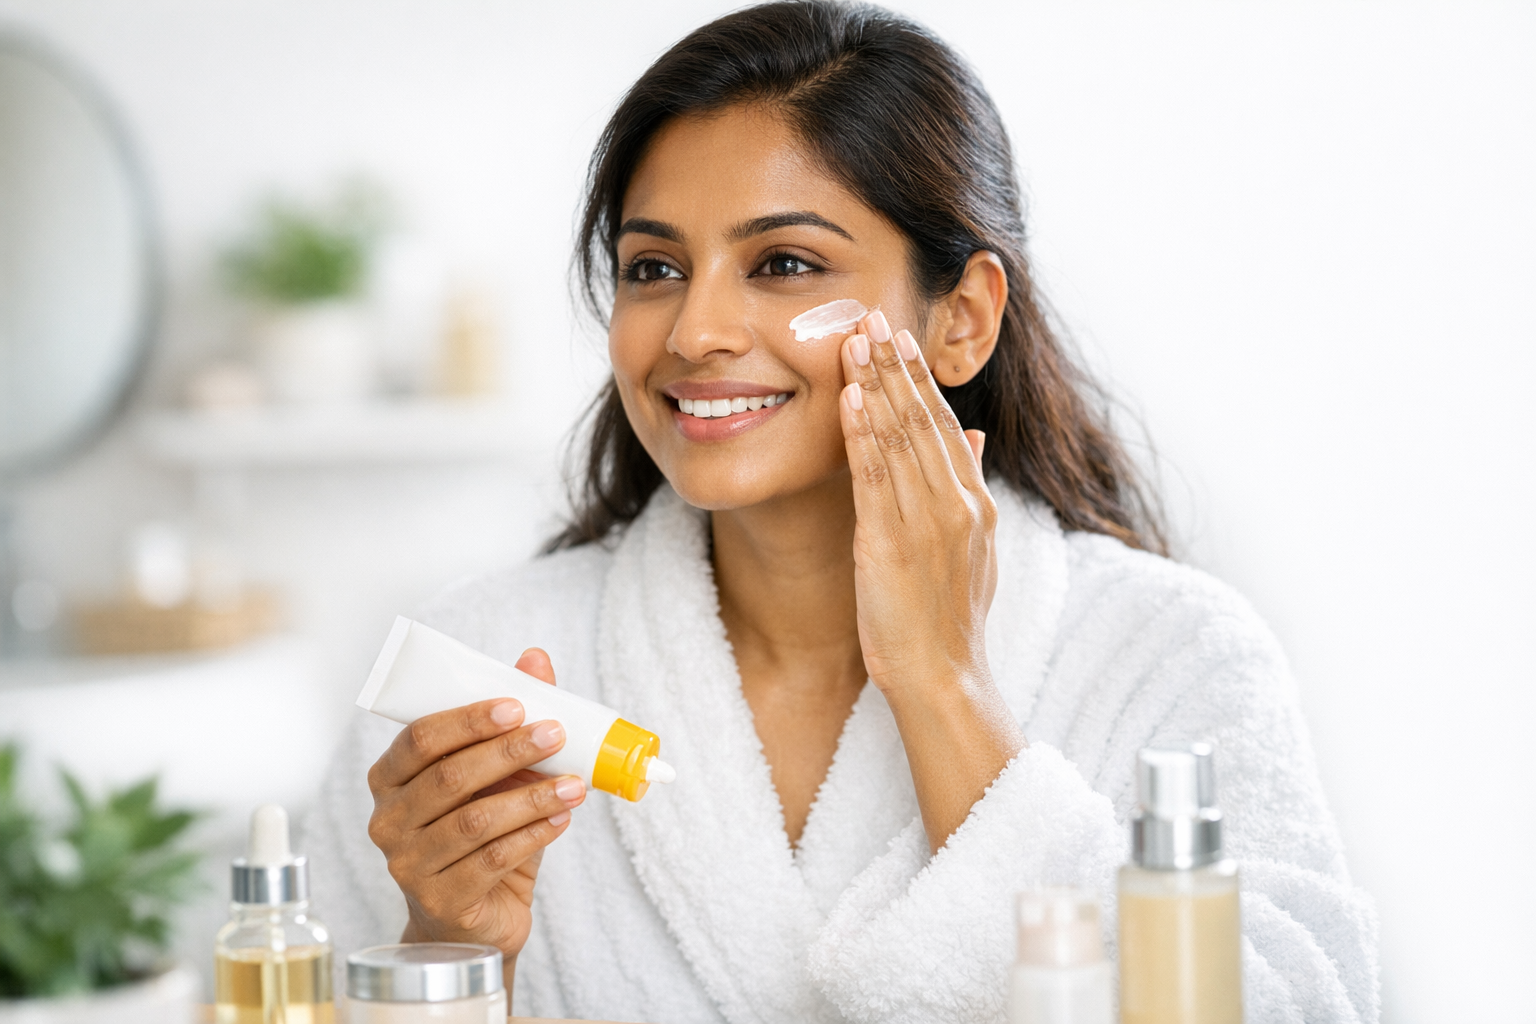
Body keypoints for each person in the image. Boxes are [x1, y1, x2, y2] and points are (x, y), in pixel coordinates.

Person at [305, 3, 1380, 1021]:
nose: (695, 331)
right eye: (654, 267)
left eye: (784, 263)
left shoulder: (1167, 656)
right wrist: (450, 952)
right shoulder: (483, 670)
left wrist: (946, 686)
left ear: (963, 319)